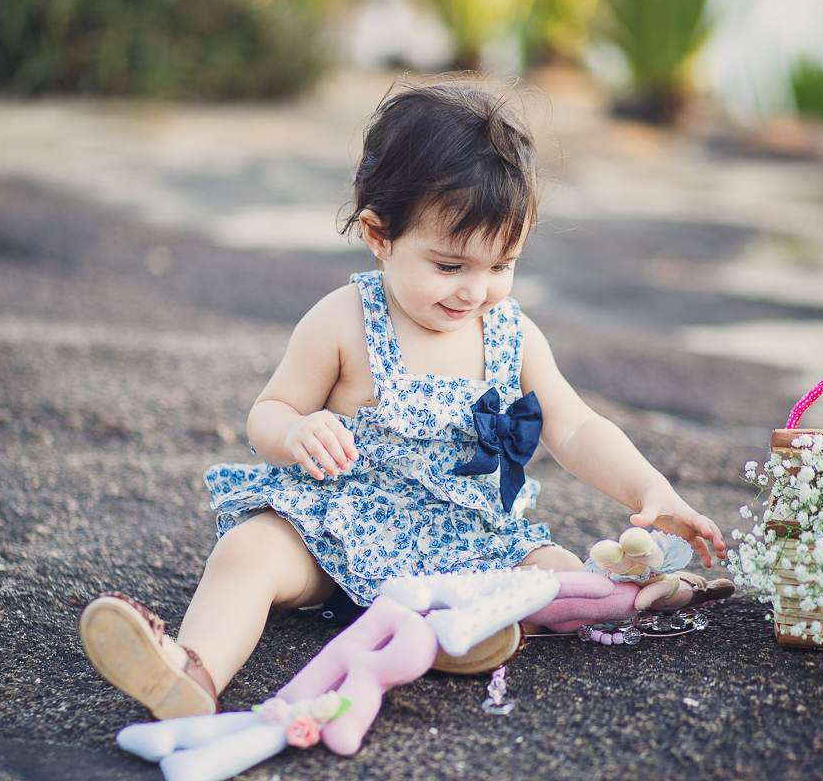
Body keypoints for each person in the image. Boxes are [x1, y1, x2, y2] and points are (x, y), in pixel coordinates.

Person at [78, 77, 728, 721]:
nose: (475, 290)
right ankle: (191, 671)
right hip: (338, 535)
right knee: (248, 550)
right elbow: (268, 412)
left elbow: (577, 427)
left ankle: (568, 608)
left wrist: (650, 492)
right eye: (450, 266)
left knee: (559, 578)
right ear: (378, 235)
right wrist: (296, 433)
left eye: (500, 265)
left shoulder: (512, 335)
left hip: (472, 547)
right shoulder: (344, 321)